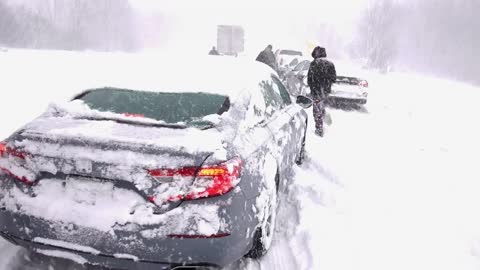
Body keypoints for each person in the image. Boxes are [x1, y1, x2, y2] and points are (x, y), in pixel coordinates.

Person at [307, 46, 336, 137]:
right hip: (326, 92)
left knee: (316, 110)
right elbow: (334, 78)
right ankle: (324, 115)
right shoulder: (330, 64)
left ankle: (319, 129)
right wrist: (327, 84)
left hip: (316, 91)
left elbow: (309, 79)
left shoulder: (314, 64)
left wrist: (313, 86)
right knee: (322, 106)